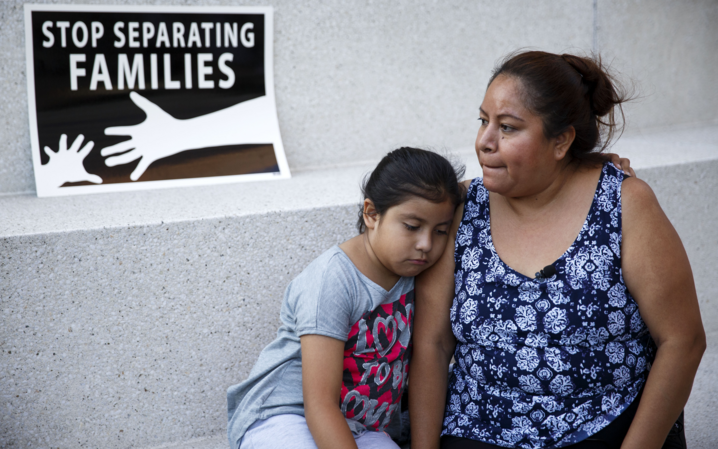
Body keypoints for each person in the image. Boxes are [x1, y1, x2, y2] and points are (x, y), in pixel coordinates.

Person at [409, 51, 706, 449]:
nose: (484, 141)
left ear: (561, 141)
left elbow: (682, 341)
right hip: (480, 427)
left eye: (508, 128)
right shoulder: (462, 209)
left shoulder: (623, 204)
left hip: (604, 423)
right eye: (483, 121)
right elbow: (432, 343)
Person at [226, 147, 465, 449]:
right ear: (372, 214)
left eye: (441, 231)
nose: (426, 244)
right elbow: (320, 404)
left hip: (364, 428)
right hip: (287, 415)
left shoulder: (418, 276)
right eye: (412, 227)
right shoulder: (334, 279)